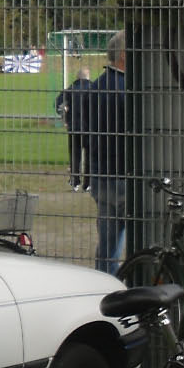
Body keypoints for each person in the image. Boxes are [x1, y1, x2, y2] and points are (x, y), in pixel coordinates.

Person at [76, 32, 129, 275]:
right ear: (124, 55)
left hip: (101, 174)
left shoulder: (95, 87)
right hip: (125, 175)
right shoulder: (129, 90)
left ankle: (106, 286)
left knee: (107, 247)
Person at [54, 66, 94, 190]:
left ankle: (75, 181)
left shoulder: (70, 89)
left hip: (74, 127)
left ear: (77, 77)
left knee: (75, 155)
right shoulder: (94, 88)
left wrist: (64, 116)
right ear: (88, 77)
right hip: (90, 127)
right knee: (90, 156)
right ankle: (88, 183)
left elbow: (58, 105)